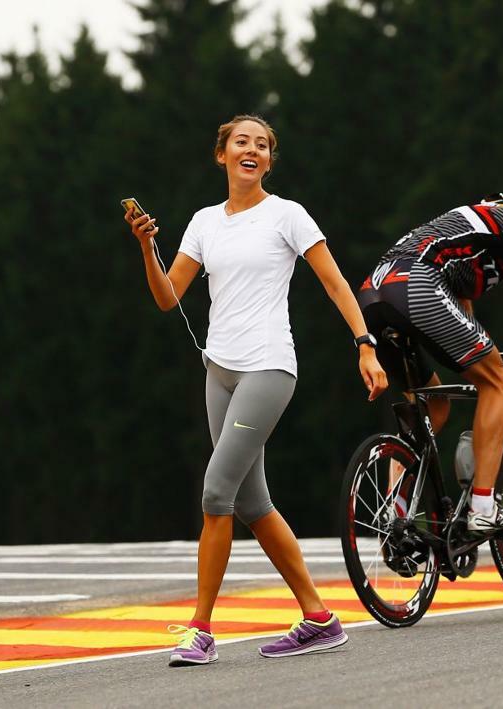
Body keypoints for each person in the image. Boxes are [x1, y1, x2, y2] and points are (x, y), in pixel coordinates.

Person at [125, 114, 387, 666]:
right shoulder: (203, 223)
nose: (253, 150)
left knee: (216, 492)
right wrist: (148, 249)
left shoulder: (286, 215)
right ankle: (319, 618)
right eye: (241, 142)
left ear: (269, 160)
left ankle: (199, 630)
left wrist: (364, 342)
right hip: (218, 370)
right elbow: (169, 297)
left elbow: (336, 282)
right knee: (251, 502)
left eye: (263, 145)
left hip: (268, 369)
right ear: (221, 155)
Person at [356, 169, 503, 531]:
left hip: (375, 294)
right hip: (416, 285)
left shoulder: (500, 225)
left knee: (435, 406)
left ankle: (396, 516)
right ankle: (483, 507)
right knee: (497, 381)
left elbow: (461, 290)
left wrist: (481, 347)